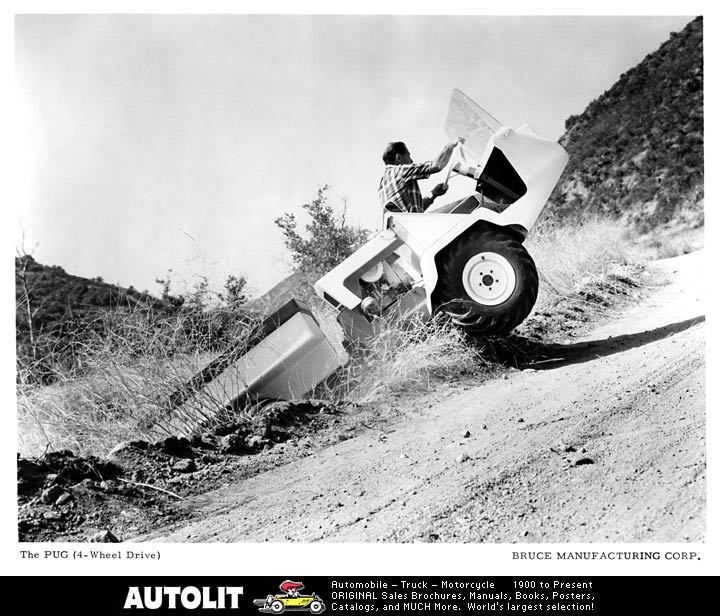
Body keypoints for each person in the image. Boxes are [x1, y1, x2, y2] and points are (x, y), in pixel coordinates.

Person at [378, 139, 462, 213]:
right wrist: (450, 145)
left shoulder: (382, 185)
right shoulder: (399, 171)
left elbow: (414, 210)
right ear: (398, 158)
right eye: (408, 156)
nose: (411, 161)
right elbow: (436, 166)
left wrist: (433, 194)